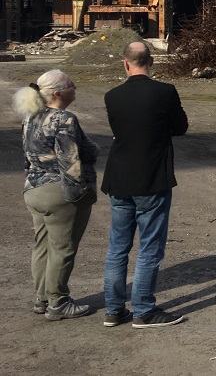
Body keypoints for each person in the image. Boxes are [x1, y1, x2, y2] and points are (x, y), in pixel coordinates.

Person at [102, 41, 189, 329]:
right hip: (152, 176)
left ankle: (113, 309)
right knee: (150, 247)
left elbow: (119, 131)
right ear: (151, 61)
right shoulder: (164, 92)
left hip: (119, 177)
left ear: (125, 64)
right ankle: (143, 309)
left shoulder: (112, 96)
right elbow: (180, 127)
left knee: (118, 247)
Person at [14, 70, 99, 321]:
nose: (75, 87)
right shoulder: (64, 119)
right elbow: (69, 161)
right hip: (59, 193)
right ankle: (59, 302)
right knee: (63, 248)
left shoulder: (30, 116)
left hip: (33, 190)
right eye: (71, 84)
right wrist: (79, 194)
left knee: (42, 246)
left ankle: (42, 299)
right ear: (59, 93)